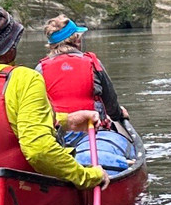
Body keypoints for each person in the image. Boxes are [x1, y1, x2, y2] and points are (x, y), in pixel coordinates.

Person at [0, 5, 109, 190]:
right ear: (11, 46)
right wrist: (88, 176)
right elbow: (39, 151)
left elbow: (8, 121)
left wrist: (66, 120)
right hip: (27, 184)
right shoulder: (25, 79)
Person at [37, 14, 133, 170]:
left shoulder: (39, 70)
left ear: (51, 45)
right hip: (92, 133)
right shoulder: (93, 63)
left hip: (57, 135)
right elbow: (110, 101)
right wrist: (118, 115)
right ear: (77, 40)